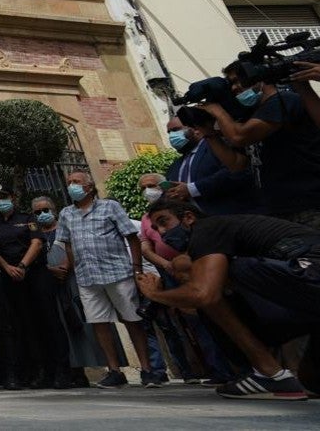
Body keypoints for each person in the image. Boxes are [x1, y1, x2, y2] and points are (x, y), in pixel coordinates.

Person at [138, 198, 320, 399]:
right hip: (304, 286)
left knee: (210, 289)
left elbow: (203, 294)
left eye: (164, 222)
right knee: (311, 380)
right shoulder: (222, 236)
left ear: (189, 218)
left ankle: (270, 373)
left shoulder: (207, 229)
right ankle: (275, 376)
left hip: (309, 270)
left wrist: (155, 294)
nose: (162, 233)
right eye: (156, 228)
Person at [54, 171, 153, 389]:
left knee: (132, 320)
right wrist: (71, 266)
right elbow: (66, 243)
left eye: (76, 182)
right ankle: (114, 370)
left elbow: (131, 237)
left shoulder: (110, 207)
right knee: (99, 323)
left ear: (89, 187)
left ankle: (147, 369)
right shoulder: (66, 214)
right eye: (69, 183)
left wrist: (136, 268)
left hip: (117, 272)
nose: (72, 186)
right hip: (87, 277)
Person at [196, 63, 320, 228]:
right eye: (231, 83)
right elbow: (237, 164)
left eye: (240, 80)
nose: (235, 87)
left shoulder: (283, 101)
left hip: (307, 204)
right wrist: (209, 133)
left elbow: (239, 136)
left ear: (260, 77)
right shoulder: (252, 114)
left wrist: (218, 112)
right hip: (276, 208)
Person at [0, 183, 69, 389]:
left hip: (35, 274)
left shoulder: (27, 219)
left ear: (13, 197)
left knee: (49, 320)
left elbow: (37, 243)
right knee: (24, 325)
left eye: (4, 196)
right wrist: (8, 267)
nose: (1, 201)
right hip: (10, 278)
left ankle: (61, 371)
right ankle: (38, 371)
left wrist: (23, 265)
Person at [33, 195, 111, 387]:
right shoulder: (36, 235)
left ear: (53, 210)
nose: (42, 214)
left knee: (80, 325)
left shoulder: (65, 228)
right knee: (59, 327)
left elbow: (76, 246)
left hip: (72, 282)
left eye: (45, 210)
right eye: (37, 212)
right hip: (49, 285)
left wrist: (67, 265)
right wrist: (50, 270)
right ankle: (70, 369)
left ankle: (93, 368)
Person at [138, 173, 203, 385]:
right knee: (178, 321)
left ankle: (222, 368)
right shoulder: (146, 218)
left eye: (152, 185)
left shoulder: (182, 207)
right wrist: (166, 264)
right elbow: (146, 247)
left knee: (204, 314)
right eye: (143, 187)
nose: (148, 190)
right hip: (167, 271)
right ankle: (190, 369)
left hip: (196, 265)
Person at [160, 115, 253, 216]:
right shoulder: (175, 165)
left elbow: (234, 172)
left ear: (196, 129)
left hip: (232, 218)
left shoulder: (217, 147)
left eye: (175, 130)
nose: (171, 136)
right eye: (169, 132)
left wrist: (191, 189)